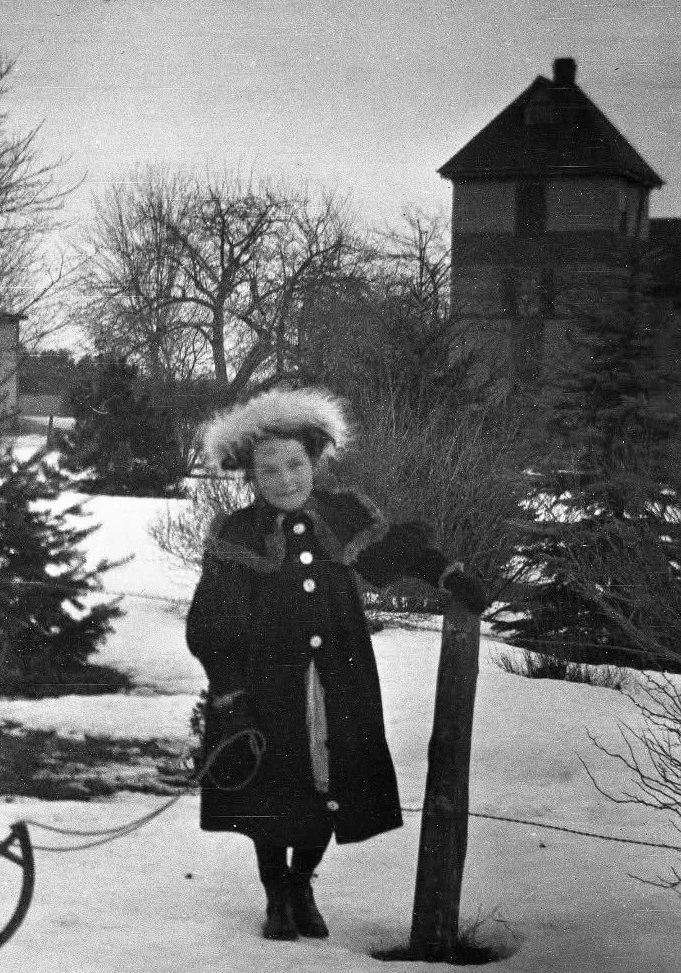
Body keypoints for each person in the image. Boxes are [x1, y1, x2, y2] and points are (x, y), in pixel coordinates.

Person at [185, 386, 488, 941]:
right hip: (268, 687)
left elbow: (397, 552)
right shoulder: (238, 535)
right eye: (269, 470)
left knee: (330, 783)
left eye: (295, 465)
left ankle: (303, 884)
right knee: (273, 790)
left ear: (314, 462)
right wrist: (230, 695)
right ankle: (277, 895)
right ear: (251, 476)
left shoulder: (344, 516)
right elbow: (211, 626)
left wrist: (448, 575)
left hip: (340, 679)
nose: (285, 480)